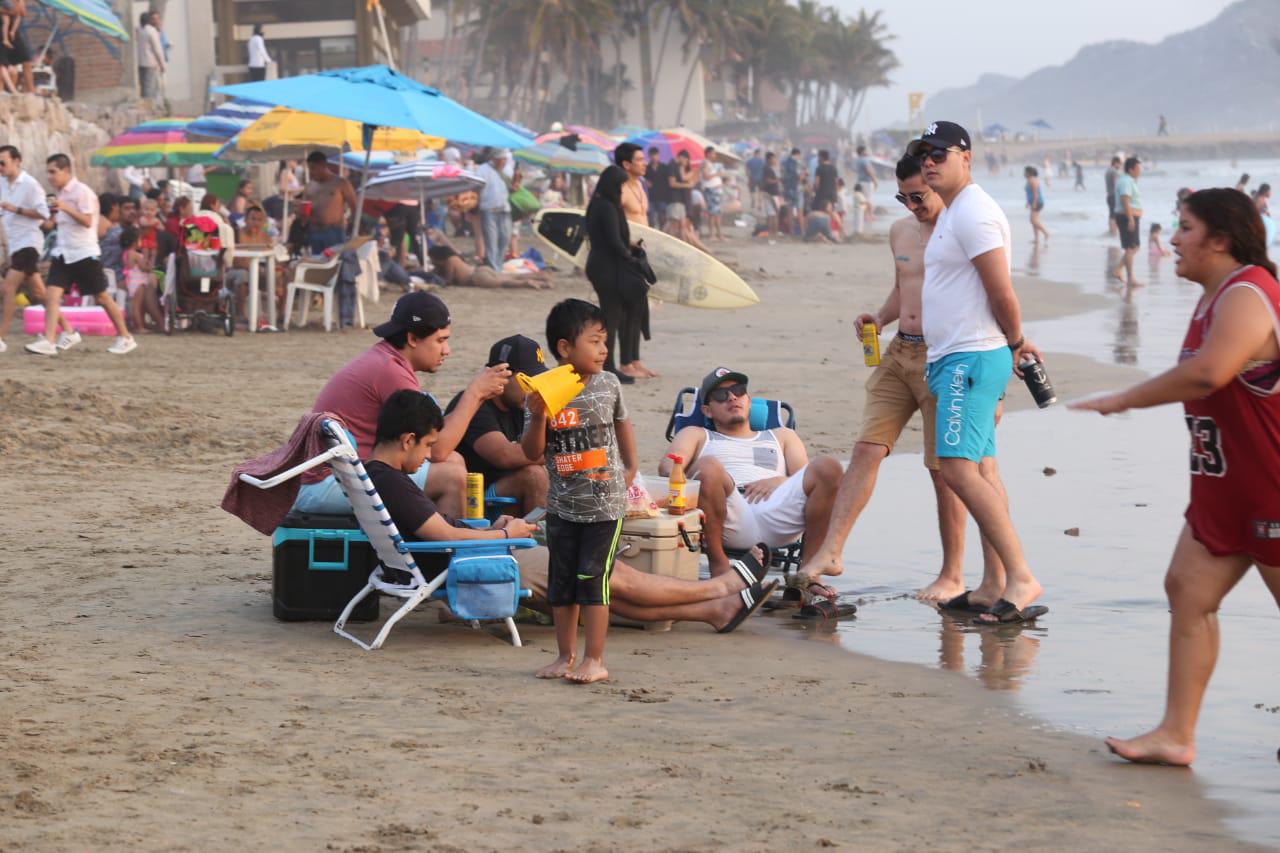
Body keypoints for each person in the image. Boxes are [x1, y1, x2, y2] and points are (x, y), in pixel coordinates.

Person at [1071, 188, 1280, 766]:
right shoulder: (1215, 294)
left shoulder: (1249, 291)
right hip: (1225, 487)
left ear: (1220, 238)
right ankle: (1175, 734)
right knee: (1188, 591)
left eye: (1185, 227)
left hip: (1271, 486)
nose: (1173, 238)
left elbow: (1208, 374)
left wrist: (1125, 399)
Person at [373, 388, 776, 635]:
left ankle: (715, 611)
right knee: (605, 573)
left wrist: (496, 526)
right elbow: (441, 538)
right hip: (480, 561)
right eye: (427, 446)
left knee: (598, 592)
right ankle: (718, 588)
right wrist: (505, 535)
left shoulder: (380, 475)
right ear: (407, 439)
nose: (431, 456)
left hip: (476, 553)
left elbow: (438, 530)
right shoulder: (391, 479)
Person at [797, 154, 1004, 601]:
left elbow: (994, 291)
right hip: (898, 352)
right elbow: (902, 287)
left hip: (947, 355)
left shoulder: (963, 227)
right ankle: (832, 550)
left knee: (946, 469)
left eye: (919, 196)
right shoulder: (900, 231)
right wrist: (881, 315)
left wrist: (1003, 366)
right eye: (903, 197)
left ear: (938, 183)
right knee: (867, 449)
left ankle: (952, 574)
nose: (912, 205)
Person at [888, 121, 1046, 624]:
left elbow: (1002, 290)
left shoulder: (974, 212)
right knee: (975, 467)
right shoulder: (955, 212)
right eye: (924, 154)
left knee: (956, 468)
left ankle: (1020, 576)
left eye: (940, 153)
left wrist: (1017, 343)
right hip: (957, 356)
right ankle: (993, 583)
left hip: (970, 357)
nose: (930, 161)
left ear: (967, 157)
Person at [295, 291, 508, 519]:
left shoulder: (388, 361)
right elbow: (436, 450)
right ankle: (443, 551)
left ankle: (437, 541)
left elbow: (429, 441)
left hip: (334, 476)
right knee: (452, 476)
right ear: (413, 338)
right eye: (440, 340)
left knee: (454, 462)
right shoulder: (391, 371)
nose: (447, 350)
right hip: (324, 485)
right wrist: (474, 393)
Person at [522, 299, 637, 684]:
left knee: (593, 579)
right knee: (562, 583)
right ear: (564, 348)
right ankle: (564, 656)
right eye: (595, 341)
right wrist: (538, 415)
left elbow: (623, 424)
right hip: (561, 506)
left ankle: (596, 659)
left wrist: (632, 467)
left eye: (605, 341)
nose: (604, 350)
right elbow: (531, 452)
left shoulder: (608, 384)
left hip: (605, 506)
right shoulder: (542, 392)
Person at [661, 368, 843, 597]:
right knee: (708, 465)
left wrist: (780, 480)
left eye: (738, 391)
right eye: (721, 395)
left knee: (828, 466)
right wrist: (707, 480)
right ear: (707, 410)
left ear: (749, 400)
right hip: (727, 513)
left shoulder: (783, 435)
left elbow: (805, 478)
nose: (732, 398)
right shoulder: (696, 434)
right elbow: (668, 468)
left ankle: (809, 573)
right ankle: (720, 567)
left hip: (779, 511)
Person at [26, 154, 135, 356]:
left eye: (53, 171)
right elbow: (52, 224)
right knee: (52, 294)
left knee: (101, 297)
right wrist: (35, 216)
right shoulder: (59, 195)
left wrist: (65, 208)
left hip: (84, 252)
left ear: (66, 170)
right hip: (64, 252)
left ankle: (126, 337)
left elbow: (87, 221)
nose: (50, 177)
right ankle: (50, 341)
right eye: (48, 172)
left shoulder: (81, 192)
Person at [445, 335, 550, 515]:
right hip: (474, 501)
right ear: (501, 374)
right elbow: (504, 455)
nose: (535, 387)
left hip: (507, 493)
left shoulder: (526, 404)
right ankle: (540, 539)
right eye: (527, 380)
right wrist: (561, 452)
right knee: (534, 475)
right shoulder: (476, 403)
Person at [585, 165, 650, 385]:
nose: (622, 189)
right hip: (607, 268)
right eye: (621, 185)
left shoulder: (597, 203)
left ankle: (608, 364)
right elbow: (613, 242)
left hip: (600, 264)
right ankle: (608, 366)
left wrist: (628, 246)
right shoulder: (607, 207)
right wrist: (630, 258)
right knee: (611, 319)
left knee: (613, 317)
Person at [0, 145, 63, 352]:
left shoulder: (30, 184)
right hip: (14, 242)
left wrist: (16, 209)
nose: (0, 167)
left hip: (29, 242)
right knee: (39, 292)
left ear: (17, 161)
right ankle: (70, 331)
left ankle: (1, 337)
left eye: (3, 162)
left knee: (8, 288)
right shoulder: (2, 183)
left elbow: (44, 214)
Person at [426, 244, 551, 289]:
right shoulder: (454, 258)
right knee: (511, 276)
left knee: (505, 283)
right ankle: (541, 277)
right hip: (481, 270)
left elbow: (448, 281)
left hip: (476, 278)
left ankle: (529, 283)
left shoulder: (449, 261)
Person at [303, 152, 356, 255]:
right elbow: (305, 211)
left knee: (336, 265)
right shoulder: (309, 186)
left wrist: (352, 228)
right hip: (314, 232)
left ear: (323, 165)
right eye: (309, 168)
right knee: (318, 266)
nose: (311, 172)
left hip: (334, 232)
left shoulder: (340, 183)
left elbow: (355, 207)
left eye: (313, 168)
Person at [665, 150, 709, 252]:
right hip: (676, 200)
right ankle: (674, 248)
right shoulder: (674, 166)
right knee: (676, 226)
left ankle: (685, 248)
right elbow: (673, 183)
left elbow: (684, 179)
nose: (686, 162)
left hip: (682, 201)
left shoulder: (681, 168)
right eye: (686, 160)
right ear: (681, 157)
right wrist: (687, 184)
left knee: (680, 227)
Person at [476, 148, 512, 272]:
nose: (504, 162)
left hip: (504, 208)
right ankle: (493, 268)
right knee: (491, 240)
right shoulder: (482, 170)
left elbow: (512, 188)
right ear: (494, 159)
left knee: (504, 238)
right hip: (488, 209)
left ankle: (498, 265)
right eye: (501, 160)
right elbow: (477, 188)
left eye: (505, 160)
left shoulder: (506, 171)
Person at [119, 225, 161, 332]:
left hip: (131, 281)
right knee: (137, 306)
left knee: (135, 305)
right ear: (135, 242)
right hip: (138, 283)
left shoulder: (125, 254)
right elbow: (144, 268)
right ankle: (139, 327)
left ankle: (138, 325)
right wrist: (151, 259)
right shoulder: (136, 255)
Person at [1111, 157, 1143, 286]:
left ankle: (1118, 270)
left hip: (1130, 216)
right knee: (1131, 247)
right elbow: (1125, 200)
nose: (1139, 171)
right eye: (1138, 169)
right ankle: (1130, 279)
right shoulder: (1125, 181)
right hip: (1126, 217)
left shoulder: (1130, 181)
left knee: (1135, 246)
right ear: (1131, 169)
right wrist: (1130, 218)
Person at [615, 142, 649, 227]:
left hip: (645, 238)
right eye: (639, 160)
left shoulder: (640, 184)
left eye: (643, 159)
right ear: (626, 164)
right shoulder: (620, 188)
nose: (645, 164)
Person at [136, 10, 165, 105]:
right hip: (150, 63)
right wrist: (162, 64)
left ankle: (145, 105)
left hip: (140, 63)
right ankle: (148, 108)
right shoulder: (151, 31)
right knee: (150, 87)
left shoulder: (139, 30)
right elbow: (157, 49)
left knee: (144, 86)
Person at [701, 147, 725, 241]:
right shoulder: (706, 163)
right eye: (713, 153)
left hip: (715, 191)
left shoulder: (711, 164)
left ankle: (718, 234)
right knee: (713, 213)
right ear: (708, 154)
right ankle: (713, 235)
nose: (715, 155)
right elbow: (706, 176)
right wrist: (717, 174)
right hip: (711, 191)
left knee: (717, 213)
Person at [1024, 166, 1049, 246]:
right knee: (1034, 221)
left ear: (1028, 172)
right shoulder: (1029, 180)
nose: (1023, 173)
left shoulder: (1033, 180)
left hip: (1037, 202)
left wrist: (1034, 203)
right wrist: (1028, 202)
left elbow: (1035, 193)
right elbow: (1029, 193)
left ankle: (1046, 233)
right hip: (1033, 202)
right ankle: (1036, 239)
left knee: (1033, 221)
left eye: (1025, 172)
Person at [760, 151, 781, 238]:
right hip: (772, 193)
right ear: (769, 159)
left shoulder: (767, 168)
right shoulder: (768, 169)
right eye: (773, 158)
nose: (775, 160)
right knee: (774, 214)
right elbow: (768, 180)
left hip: (768, 193)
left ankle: (771, 232)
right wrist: (777, 180)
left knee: (771, 214)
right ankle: (774, 232)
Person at [644, 147, 666, 230]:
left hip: (662, 197)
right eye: (652, 155)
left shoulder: (664, 167)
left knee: (662, 219)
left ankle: (663, 235)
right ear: (649, 156)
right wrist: (645, 182)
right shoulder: (646, 168)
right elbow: (642, 179)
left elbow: (667, 182)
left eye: (655, 155)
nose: (654, 157)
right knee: (651, 219)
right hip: (650, 197)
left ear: (658, 155)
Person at [812, 149, 839, 213]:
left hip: (822, 195)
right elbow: (836, 183)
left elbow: (817, 184)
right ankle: (838, 222)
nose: (818, 160)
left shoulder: (819, 168)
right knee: (831, 211)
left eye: (818, 157)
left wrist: (814, 192)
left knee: (821, 212)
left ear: (822, 157)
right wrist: (836, 194)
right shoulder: (833, 168)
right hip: (831, 195)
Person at [1104, 156, 1122, 237]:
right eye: (1119, 164)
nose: (1120, 166)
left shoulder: (1107, 171)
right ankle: (1114, 233)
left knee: (1111, 215)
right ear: (1116, 163)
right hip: (1114, 196)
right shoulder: (1114, 172)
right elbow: (1116, 184)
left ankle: (1111, 231)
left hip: (1109, 195)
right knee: (1115, 215)